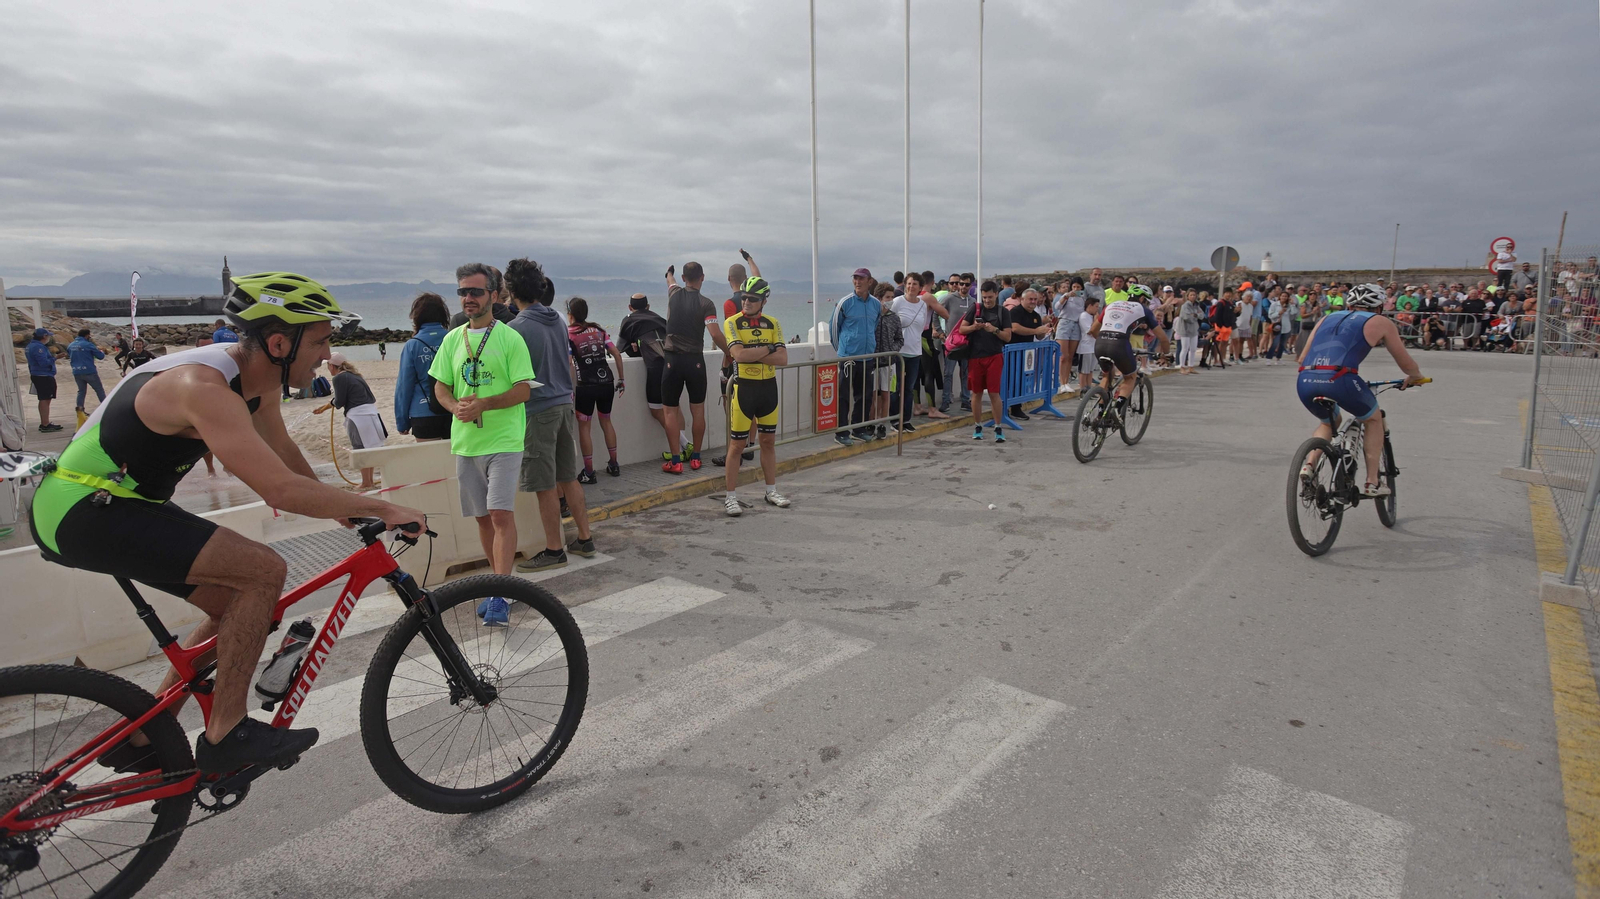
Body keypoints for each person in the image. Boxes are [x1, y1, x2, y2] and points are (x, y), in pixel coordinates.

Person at [28, 271, 424, 774]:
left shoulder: (257, 384)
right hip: (82, 504)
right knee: (262, 571)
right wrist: (385, 508)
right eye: (321, 342)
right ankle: (227, 735)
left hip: (117, 503)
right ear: (279, 342)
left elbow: (284, 457)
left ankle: (144, 736)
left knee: (242, 607)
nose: (327, 355)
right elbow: (277, 490)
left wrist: (346, 505)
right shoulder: (204, 387)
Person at [429, 262, 537, 613]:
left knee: (499, 514)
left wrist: (485, 405)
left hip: (504, 441)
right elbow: (440, 386)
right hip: (466, 443)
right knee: (482, 518)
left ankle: (502, 594)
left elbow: (523, 390)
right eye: (462, 292)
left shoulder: (509, 337)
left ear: (493, 294)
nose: (468, 298)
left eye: (475, 291)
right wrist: (454, 408)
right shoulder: (452, 338)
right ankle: (496, 584)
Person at [502, 259, 597, 575]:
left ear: (511, 291)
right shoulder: (556, 319)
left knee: (544, 484)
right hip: (563, 405)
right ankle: (584, 539)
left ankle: (554, 549)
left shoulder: (515, 329)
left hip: (538, 410)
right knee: (568, 476)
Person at [1295, 283, 1426, 496]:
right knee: (1373, 419)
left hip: (1305, 378)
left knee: (1329, 422)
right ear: (1379, 306)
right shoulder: (1380, 321)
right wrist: (1415, 376)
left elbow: (1301, 357)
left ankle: (1309, 465)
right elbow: (1405, 362)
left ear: (1349, 303)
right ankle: (1372, 482)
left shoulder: (1325, 318)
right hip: (1341, 378)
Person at [721, 277, 791, 516]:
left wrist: (756, 354)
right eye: (744, 297)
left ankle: (771, 490)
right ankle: (730, 497)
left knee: (768, 442)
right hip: (744, 389)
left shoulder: (773, 323)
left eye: (752, 299)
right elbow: (738, 355)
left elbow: (783, 359)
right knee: (737, 445)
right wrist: (769, 348)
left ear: (763, 301)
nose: (746, 302)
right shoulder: (732, 322)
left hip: (768, 388)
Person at [661, 261, 731, 473]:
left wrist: (670, 272)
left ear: (683, 278)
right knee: (698, 411)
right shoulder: (706, 304)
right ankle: (696, 458)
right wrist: (730, 352)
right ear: (703, 277)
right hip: (695, 362)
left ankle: (675, 461)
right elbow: (715, 333)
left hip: (672, 361)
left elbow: (669, 281)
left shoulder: (673, 294)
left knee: (670, 412)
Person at [566, 297, 625, 482]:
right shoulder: (599, 331)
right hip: (607, 381)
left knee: (585, 427)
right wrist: (622, 379)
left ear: (570, 315)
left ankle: (589, 472)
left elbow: (569, 362)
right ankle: (614, 464)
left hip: (585, 385)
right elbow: (616, 353)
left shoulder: (569, 333)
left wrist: (570, 388)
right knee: (606, 421)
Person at [1090, 283, 1164, 419]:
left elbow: (1093, 330)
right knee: (1130, 377)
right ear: (1142, 299)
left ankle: (1100, 413)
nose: (1147, 304)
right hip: (1119, 344)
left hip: (1100, 342)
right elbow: (1163, 338)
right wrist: (1165, 356)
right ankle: (1117, 409)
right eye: (1147, 301)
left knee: (1107, 376)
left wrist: (1104, 340)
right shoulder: (1143, 309)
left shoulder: (1111, 305)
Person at [618, 292, 676, 461]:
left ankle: (684, 445)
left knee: (656, 411)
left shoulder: (629, 320)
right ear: (648, 306)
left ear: (630, 307)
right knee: (674, 409)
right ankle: (684, 448)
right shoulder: (660, 319)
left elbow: (618, 348)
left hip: (656, 369)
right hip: (675, 365)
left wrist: (632, 347)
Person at [314, 352, 386, 488]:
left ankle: (365, 483)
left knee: (359, 448)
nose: (328, 369)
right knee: (368, 448)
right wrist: (323, 408)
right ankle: (369, 481)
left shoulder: (339, 378)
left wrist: (324, 408)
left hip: (358, 416)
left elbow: (339, 401)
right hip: (372, 414)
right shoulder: (355, 376)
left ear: (332, 366)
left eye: (328, 366)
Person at [831, 267, 883, 445]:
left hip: (867, 358)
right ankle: (842, 432)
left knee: (865, 396)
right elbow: (834, 328)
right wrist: (843, 353)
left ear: (869, 281)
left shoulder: (876, 304)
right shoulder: (845, 302)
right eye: (855, 279)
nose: (857, 282)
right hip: (848, 359)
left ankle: (858, 429)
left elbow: (874, 325)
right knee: (844, 396)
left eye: (861, 279)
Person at [395, 292, 452, 441]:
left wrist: (402, 422)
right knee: (452, 462)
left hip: (423, 412)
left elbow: (404, 386)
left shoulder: (413, 345)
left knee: (429, 462)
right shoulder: (453, 339)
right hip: (452, 409)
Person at [890, 272, 942, 433]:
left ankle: (905, 420)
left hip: (915, 352)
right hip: (899, 352)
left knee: (909, 388)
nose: (911, 286)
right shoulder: (897, 302)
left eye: (915, 284)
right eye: (909, 283)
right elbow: (885, 319)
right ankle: (894, 420)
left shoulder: (922, 304)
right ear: (905, 285)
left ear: (920, 287)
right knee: (896, 388)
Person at [961, 281, 1012, 442]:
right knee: (975, 393)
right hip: (975, 357)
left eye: (990, 297)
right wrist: (974, 327)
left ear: (996, 294)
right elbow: (962, 329)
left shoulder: (1003, 312)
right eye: (984, 297)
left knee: (994, 393)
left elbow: (1008, 337)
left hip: (994, 356)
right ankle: (977, 425)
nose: (987, 300)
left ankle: (998, 427)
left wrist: (994, 330)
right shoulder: (975, 309)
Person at [1006, 289, 1050, 420]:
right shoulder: (1015, 312)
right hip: (1012, 351)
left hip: (1026, 353)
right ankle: (1006, 406)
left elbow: (1038, 335)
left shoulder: (1036, 316)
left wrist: (1043, 330)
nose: (1033, 302)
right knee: (1010, 380)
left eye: (1035, 299)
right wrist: (1035, 330)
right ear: (1022, 299)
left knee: (1021, 380)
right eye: (1030, 299)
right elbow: (1015, 328)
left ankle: (1016, 407)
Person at [938, 274, 974, 415]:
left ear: (971, 286)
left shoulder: (972, 301)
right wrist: (940, 331)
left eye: (966, 284)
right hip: (952, 343)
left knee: (966, 372)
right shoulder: (949, 299)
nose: (963, 287)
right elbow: (936, 313)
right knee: (948, 373)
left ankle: (965, 400)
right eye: (961, 284)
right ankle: (946, 400)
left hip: (966, 343)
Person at [26, 328, 62, 432]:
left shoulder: (30, 346)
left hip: (37, 374)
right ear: (44, 336)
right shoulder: (38, 347)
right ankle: (45, 424)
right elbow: (43, 362)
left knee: (43, 398)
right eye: (48, 336)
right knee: (45, 399)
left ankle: (45, 422)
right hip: (43, 375)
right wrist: (55, 358)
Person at [67, 328, 107, 420]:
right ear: (87, 335)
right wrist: (102, 351)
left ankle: (80, 411)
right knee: (99, 390)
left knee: (81, 391)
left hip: (76, 371)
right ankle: (105, 408)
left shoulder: (71, 345)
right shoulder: (88, 345)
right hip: (89, 371)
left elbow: (69, 354)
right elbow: (100, 357)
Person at [1176, 289, 1203, 374]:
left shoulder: (1197, 305)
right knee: (1185, 348)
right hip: (1185, 329)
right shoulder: (1185, 306)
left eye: (1194, 295)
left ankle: (1191, 366)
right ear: (1187, 296)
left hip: (1194, 329)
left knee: (1193, 348)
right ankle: (1182, 366)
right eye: (1191, 295)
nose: (1193, 296)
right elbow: (1187, 317)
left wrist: (1195, 315)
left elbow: (1202, 315)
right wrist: (1195, 316)